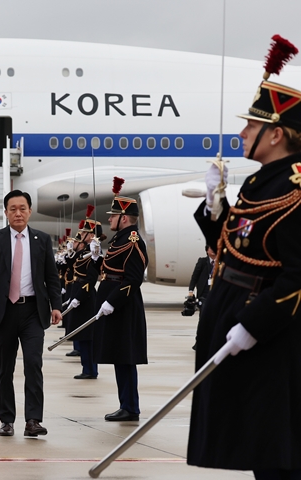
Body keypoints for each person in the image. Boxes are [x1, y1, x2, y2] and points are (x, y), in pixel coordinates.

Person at [188, 36, 301, 479]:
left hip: (268, 334)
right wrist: (214, 207)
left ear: (276, 134)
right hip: (235, 319)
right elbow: (234, 250)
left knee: (278, 452)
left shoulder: (294, 191)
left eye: (250, 127)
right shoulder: (260, 184)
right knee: (260, 449)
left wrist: (254, 326)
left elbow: (296, 276)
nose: (241, 134)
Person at [0, 190, 63, 438]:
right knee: (5, 367)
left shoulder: (42, 240)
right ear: (5, 213)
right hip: (4, 312)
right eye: (12, 209)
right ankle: (7, 420)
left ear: (30, 211)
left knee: (34, 364)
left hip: (33, 311)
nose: (18, 213)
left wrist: (57, 305)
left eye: (22, 208)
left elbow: (51, 276)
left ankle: (33, 420)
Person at [92, 177, 148, 422]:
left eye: (113, 216)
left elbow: (133, 279)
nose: (109, 219)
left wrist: (112, 301)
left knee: (125, 358)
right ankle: (125, 404)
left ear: (124, 218)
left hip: (123, 307)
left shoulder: (133, 241)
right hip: (116, 307)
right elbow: (109, 270)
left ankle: (130, 407)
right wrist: (95, 257)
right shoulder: (119, 239)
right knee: (118, 357)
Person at [64, 206, 102, 380]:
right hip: (79, 292)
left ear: (92, 235)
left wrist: (79, 297)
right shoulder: (84, 253)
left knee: (87, 336)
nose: (82, 235)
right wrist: (71, 251)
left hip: (86, 296)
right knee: (82, 334)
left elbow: (91, 277)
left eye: (85, 233)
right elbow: (71, 265)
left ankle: (90, 369)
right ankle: (87, 368)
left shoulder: (93, 253)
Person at [185, 246, 215, 315]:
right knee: (203, 314)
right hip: (204, 294)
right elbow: (194, 277)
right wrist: (191, 291)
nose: (213, 250)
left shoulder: (221, 262)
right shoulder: (202, 262)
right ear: (207, 251)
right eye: (211, 248)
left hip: (216, 292)